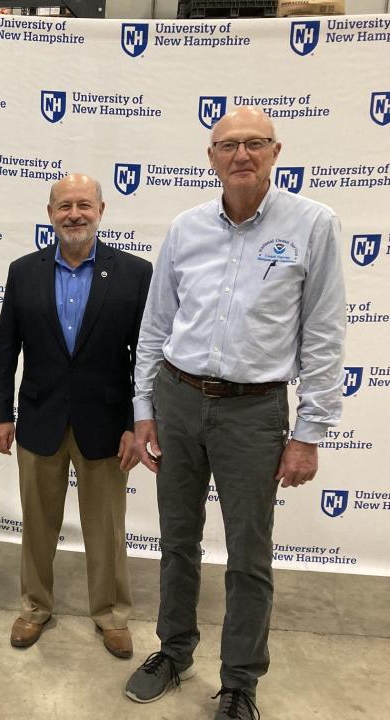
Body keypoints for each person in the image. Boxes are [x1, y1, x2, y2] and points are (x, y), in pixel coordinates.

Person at [124, 108, 345, 720]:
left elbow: (324, 335)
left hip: (255, 410)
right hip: (178, 398)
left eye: (254, 144)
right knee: (177, 538)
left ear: (276, 151)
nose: (241, 155)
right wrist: (144, 409)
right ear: (211, 156)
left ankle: (240, 680)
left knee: (249, 551)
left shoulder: (313, 225)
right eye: (228, 145)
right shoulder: (186, 227)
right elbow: (155, 326)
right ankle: (173, 650)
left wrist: (308, 433)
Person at [0, 174, 152, 658]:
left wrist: (134, 422)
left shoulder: (133, 272)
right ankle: (34, 608)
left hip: (106, 424)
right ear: (50, 212)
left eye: (84, 205)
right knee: (37, 523)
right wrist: (1, 413)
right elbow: (4, 349)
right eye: (65, 206)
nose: (74, 214)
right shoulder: (23, 271)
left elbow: (143, 357)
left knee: (106, 527)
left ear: (101, 209)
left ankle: (112, 615)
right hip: (40, 419)